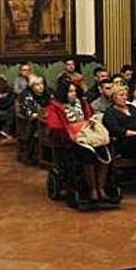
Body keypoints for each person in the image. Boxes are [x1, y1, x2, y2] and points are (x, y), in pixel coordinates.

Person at [45, 81, 115, 209]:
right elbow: (55, 126)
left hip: (88, 135)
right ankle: (93, 189)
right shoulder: (54, 107)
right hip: (68, 140)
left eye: (75, 91)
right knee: (86, 153)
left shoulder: (83, 104)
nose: (73, 94)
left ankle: (101, 187)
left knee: (104, 148)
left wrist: (91, 123)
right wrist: (71, 132)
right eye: (70, 91)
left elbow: (90, 117)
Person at [18, 76, 53, 163]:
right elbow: (29, 113)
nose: (41, 86)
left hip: (47, 120)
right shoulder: (27, 95)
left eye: (42, 84)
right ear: (32, 87)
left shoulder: (48, 94)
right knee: (35, 128)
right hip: (31, 123)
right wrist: (39, 114)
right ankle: (29, 155)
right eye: (37, 85)